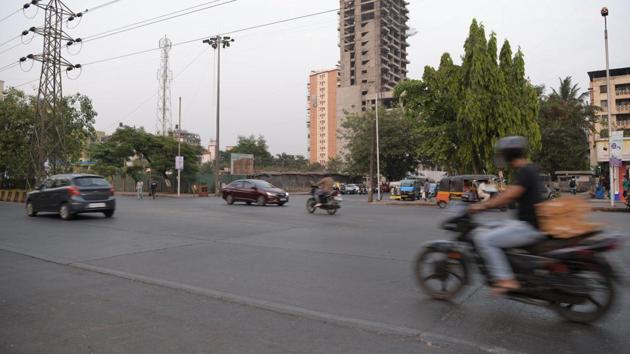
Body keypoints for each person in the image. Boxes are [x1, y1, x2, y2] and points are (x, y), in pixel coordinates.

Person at [469, 136, 544, 295]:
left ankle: (506, 279)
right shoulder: (529, 169)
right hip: (528, 223)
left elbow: (509, 196)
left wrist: (484, 206)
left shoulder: (525, 172)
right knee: (488, 227)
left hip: (528, 227)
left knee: (484, 239)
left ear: (509, 155)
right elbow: (511, 193)